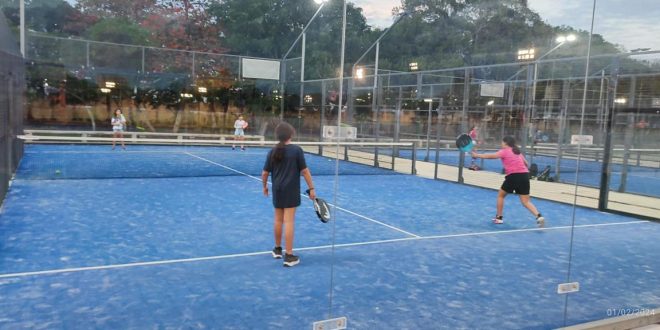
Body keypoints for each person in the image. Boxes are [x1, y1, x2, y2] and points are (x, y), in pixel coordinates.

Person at [261, 122, 316, 267]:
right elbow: (304, 171)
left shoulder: (272, 151)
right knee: (289, 221)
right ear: (291, 134)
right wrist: (312, 188)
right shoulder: (297, 150)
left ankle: (277, 249)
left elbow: (265, 173)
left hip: (277, 190)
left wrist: (265, 187)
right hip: (291, 191)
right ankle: (289, 256)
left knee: (278, 220)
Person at [471, 136, 545, 228]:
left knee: (501, 196)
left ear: (505, 143)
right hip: (525, 176)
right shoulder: (517, 152)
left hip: (513, 176)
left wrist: (477, 155)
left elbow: (491, 156)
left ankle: (499, 218)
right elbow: (527, 164)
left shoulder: (504, 151)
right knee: (526, 201)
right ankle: (539, 216)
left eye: (502, 142)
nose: (501, 144)